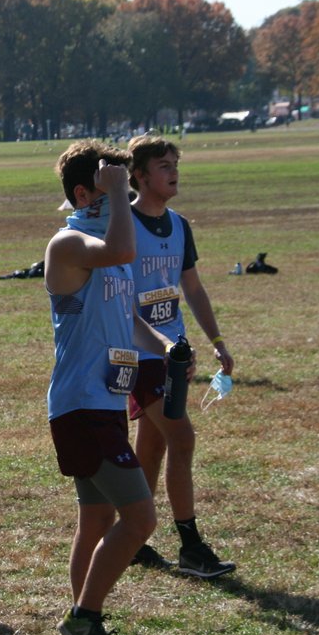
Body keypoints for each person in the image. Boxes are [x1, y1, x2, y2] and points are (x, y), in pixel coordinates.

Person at [46, 140, 180, 635]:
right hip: (81, 407)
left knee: (98, 517)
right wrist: (122, 194)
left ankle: (85, 627)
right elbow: (126, 252)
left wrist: (166, 347)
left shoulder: (104, 239)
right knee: (141, 518)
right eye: (112, 185)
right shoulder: (70, 243)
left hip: (102, 402)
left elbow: (126, 314)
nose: (124, 192)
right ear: (85, 193)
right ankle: (85, 620)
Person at [125, 134, 235, 579]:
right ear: (139, 175)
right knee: (182, 438)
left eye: (176, 164)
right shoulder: (121, 224)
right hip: (138, 353)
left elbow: (191, 287)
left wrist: (217, 341)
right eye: (164, 165)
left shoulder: (179, 225)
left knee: (152, 447)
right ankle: (190, 546)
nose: (173, 172)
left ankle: (134, 538)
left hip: (174, 353)